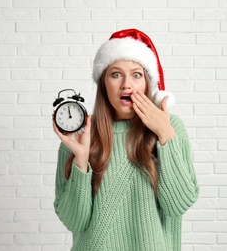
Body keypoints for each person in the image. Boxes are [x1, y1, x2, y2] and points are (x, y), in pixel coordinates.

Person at [52, 29, 199, 251]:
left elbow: (178, 205)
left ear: (148, 82)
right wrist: (81, 160)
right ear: (104, 83)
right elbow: (74, 222)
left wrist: (165, 134)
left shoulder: (171, 128)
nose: (126, 85)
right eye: (116, 74)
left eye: (136, 75)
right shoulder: (80, 135)